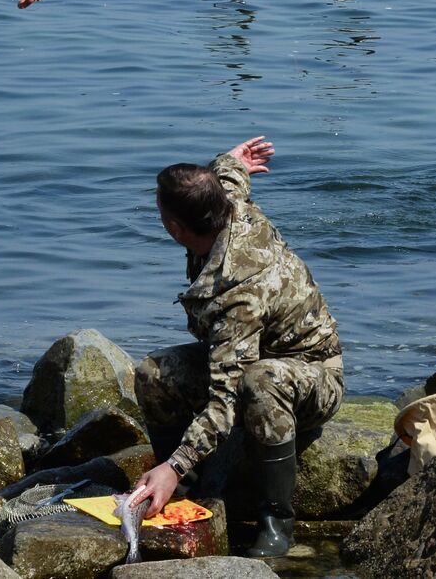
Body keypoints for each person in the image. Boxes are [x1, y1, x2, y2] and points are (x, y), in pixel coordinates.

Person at [133, 136, 343, 558]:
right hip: (249, 351)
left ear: (175, 228)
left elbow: (226, 397)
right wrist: (234, 160)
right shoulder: (227, 205)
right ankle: (182, 484)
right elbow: (229, 178)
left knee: (256, 383)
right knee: (153, 374)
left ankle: (276, 521)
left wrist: (177, 461)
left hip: (312, 372)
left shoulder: (236, 292)